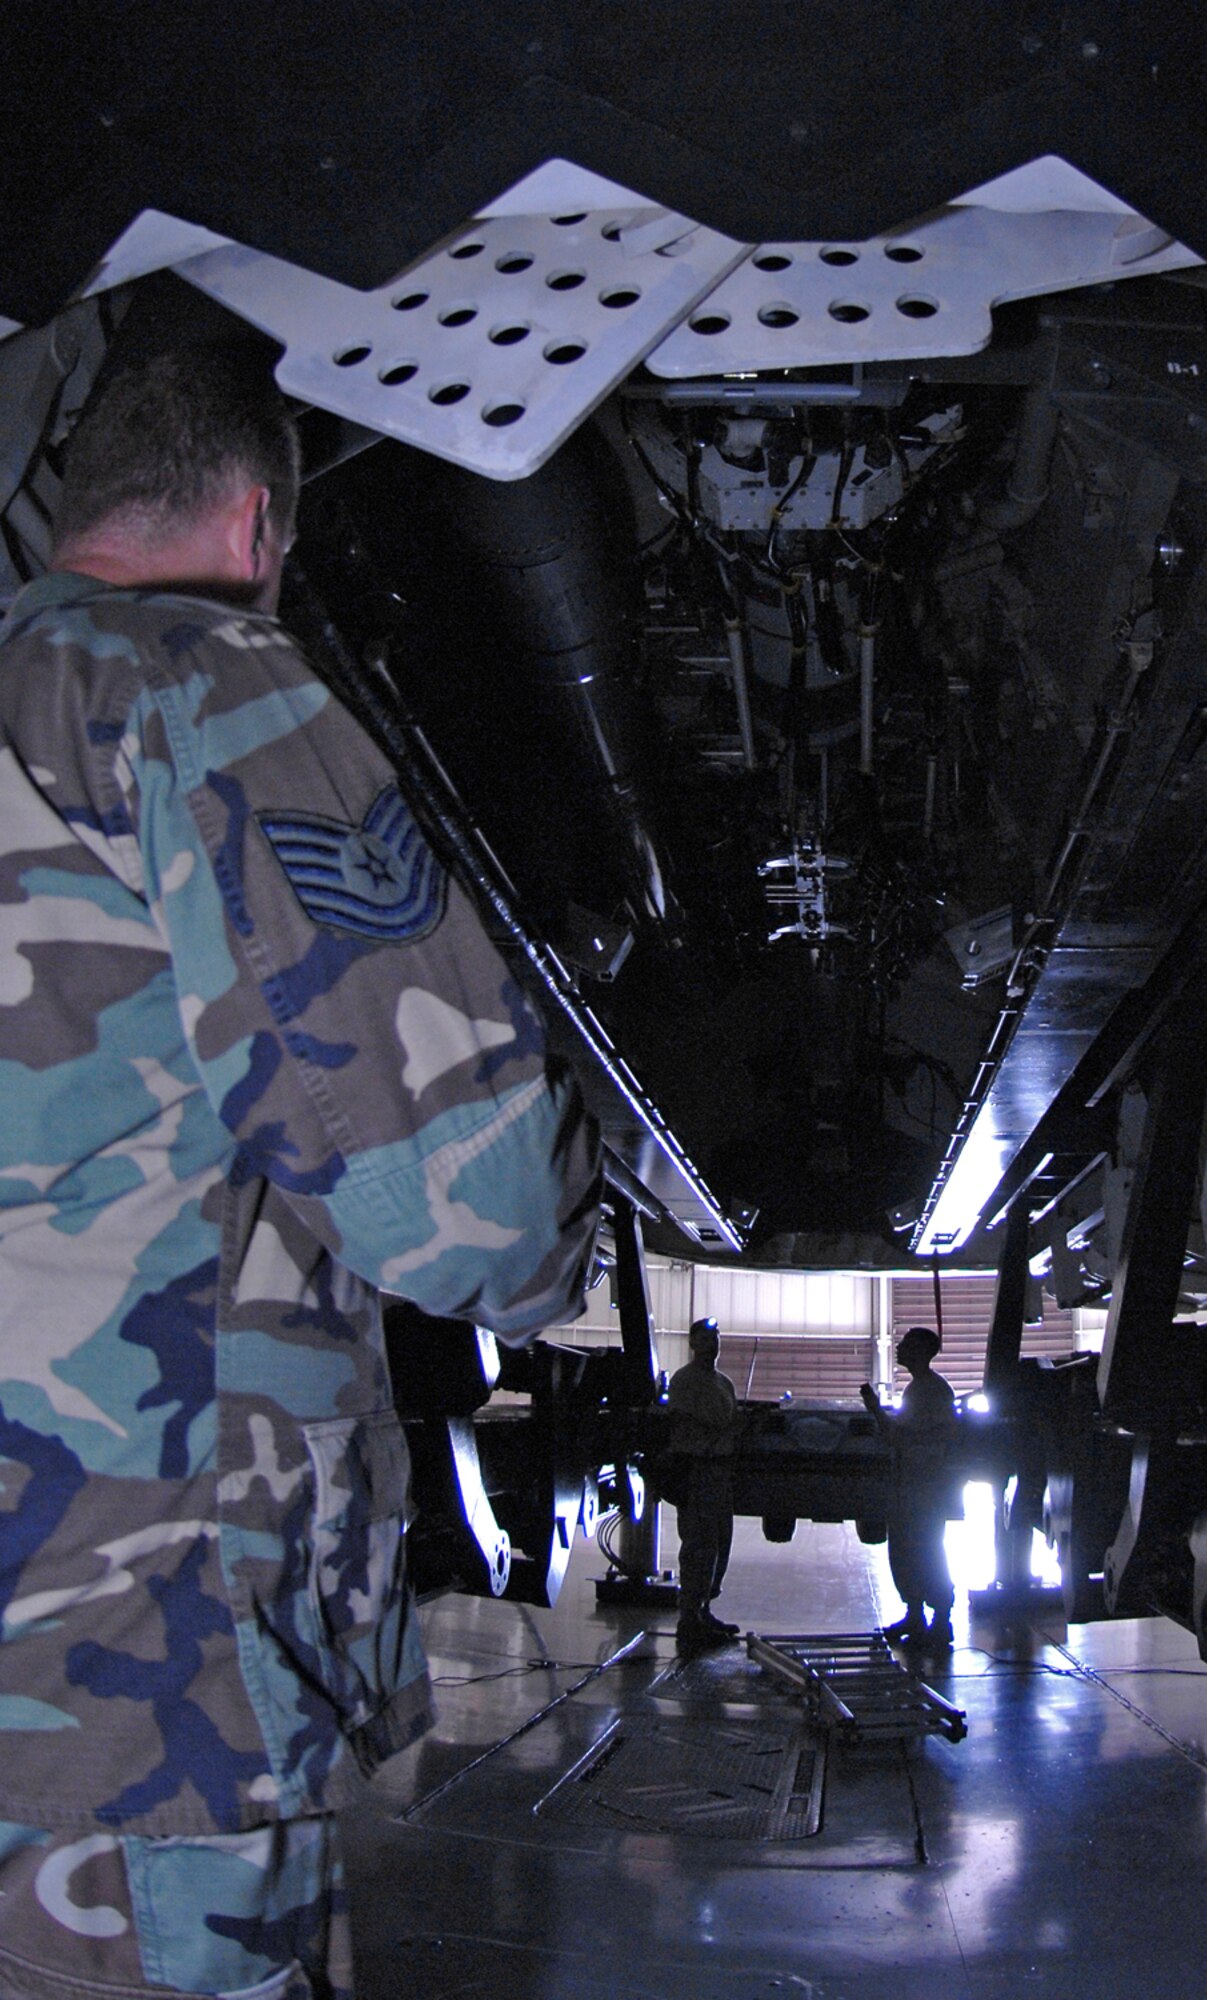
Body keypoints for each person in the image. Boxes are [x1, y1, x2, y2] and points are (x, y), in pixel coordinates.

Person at [0, 346, 603, 1999]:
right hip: (121, 1663)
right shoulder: (197, 681)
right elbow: (458, 1211)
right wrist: (574, 1250)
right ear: (258, 521)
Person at [862, 1326, 957, 1650]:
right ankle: (915, 1613)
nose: (899, 1348)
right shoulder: (920, 1390)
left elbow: (914, 1436)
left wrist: (876, 1411)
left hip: (924, 1487)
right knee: (907, 1550)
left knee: (926, 1550)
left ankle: (940, 1618)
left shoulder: (932, 1391)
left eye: (905, 1345)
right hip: (912, 1484)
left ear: (920, 1352)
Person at [668, 1316, 741, 1645]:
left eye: (717, 1338)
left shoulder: (724, 1383)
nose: (713, 1344)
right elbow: (709, 1420)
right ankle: (689, 1616)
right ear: (692, 1343)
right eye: (706, 1338)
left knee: (718, 1543)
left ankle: (705, 1608)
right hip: (697, 1469)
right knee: (697, 1545)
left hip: (721, 1471)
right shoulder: (683, 1382)